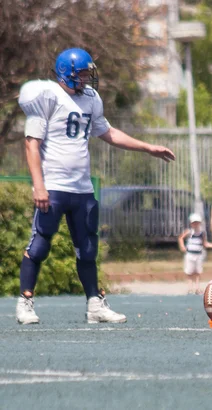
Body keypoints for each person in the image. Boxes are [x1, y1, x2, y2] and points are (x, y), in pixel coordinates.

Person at [15, 48, 176, 324]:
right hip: (53, 185)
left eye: (89, 73)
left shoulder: (90, 98)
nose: (88, 79)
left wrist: (147, 147)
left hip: (82, 187)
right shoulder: (48, 97)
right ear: (66, 73)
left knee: (87, 249)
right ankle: (25, 302)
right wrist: (38, 186)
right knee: (39, 245)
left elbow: (108, 132)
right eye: (82, 74)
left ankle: (94, 304)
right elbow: (32, 144)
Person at [178, 213, 212, 295]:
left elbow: (204, 243)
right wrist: (182, 246)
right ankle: (190, 288)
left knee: (198, 271)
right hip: (190, 254)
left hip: (198, 254)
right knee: (189, 271)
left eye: (197, 223)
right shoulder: (189, 232)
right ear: (191, 223)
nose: (195, 224)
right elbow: (180, 237)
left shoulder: (202, 233)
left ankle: (197, 288)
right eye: (194, 223)